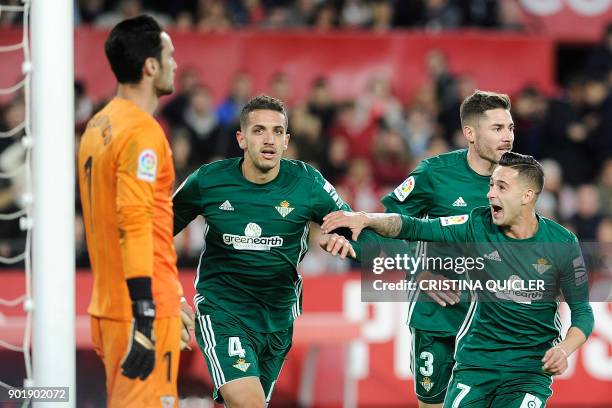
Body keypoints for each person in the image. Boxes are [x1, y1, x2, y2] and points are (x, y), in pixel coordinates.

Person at [322, 152, 594, 407]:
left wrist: (564, 349)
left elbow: (582, 312)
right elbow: (415, 226)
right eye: (490, 185)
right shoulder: (478, 224)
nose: (489, 194)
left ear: (527, 195)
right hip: (475, 366)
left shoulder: (561, 242)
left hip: (528, 371)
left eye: (501, 187)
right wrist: (365, 218)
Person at [172, 95, 374, 407]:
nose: (269, 140)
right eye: (259, 131)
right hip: (223, 311)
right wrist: (170, 294)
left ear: (287, 140)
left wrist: (347, 244)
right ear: (241, 138)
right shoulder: (209, 181)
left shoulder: (307, 183)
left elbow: (361, 236)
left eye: (277, 132)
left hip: (277, 319)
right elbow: (155, 231)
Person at [77, 15, 194, 408]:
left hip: (108, 306)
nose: (176, 64)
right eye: (170, 55)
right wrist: (147, 312)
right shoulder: (143, 134)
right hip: (140, 312)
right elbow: (135, 222)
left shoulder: (98, 125)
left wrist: (173, 295)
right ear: (151, 66)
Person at [380, 90, 514, 407]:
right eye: (497, 128)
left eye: (510, 128)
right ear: (470, 133)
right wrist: (418, 273)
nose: (508, 137)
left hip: (491, 321)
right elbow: (384, 224)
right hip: (437, 317)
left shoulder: (519, 178)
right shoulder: (434, 174)